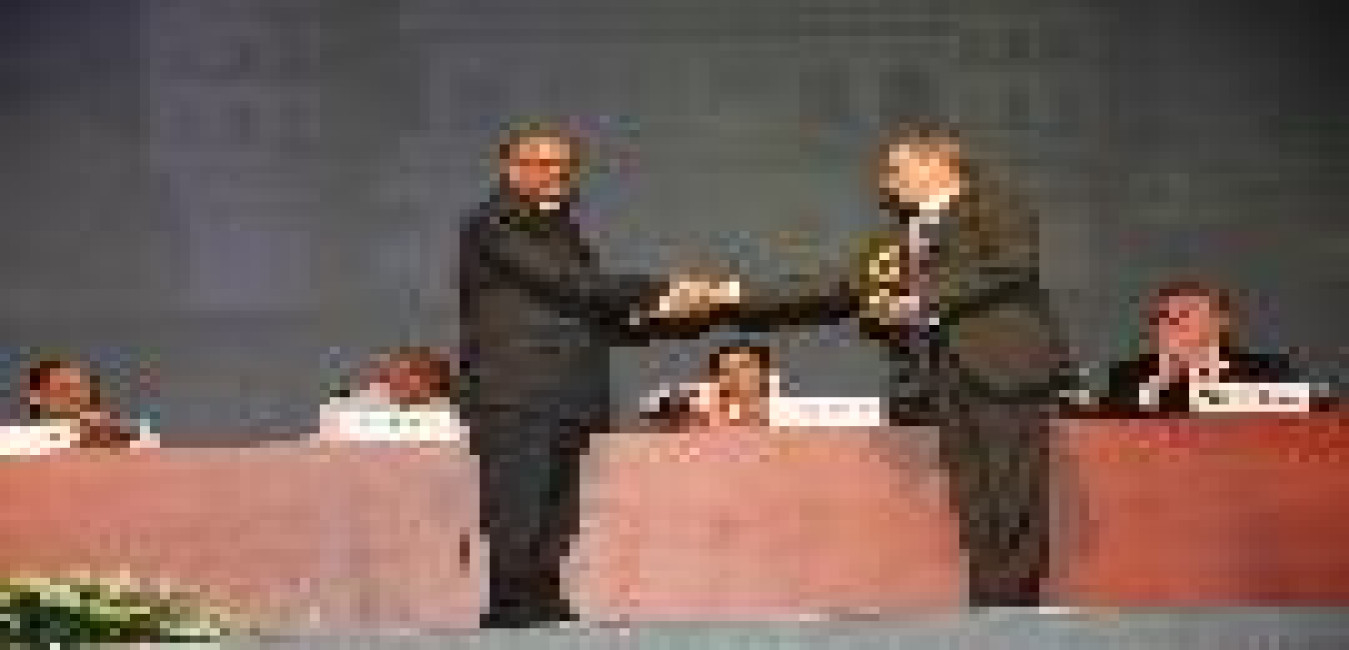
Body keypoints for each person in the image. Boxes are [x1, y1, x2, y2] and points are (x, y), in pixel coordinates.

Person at [725, 122, 1074, 607]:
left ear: (937, 162)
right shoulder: (897, 238)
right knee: (972, 495)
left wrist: (917, 300)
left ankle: (1015, 609)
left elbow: (1011, 264)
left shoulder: (994, 203)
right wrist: (729, 293)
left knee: (1014, 490)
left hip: (1003, 365)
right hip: (942, 374)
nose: (886, 181)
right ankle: (991, 604)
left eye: (896, 169)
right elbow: (835, 285)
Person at [458, 124, 736, 627]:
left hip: (570, 389)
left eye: (565, 167)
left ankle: (543, 596)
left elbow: (587, 305)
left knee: (559, 504)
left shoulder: (560, 229)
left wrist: (659, 313)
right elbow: (569, 283)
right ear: (511, 169)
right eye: (543, 165)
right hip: (517, 390)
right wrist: (665, 289)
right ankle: (509, 605)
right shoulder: (493, 222)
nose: (556, 175)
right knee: (518, 499)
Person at [1104, 280, 1297, 413]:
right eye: (1164, 316)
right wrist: (1163, 382)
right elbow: (1109, 424)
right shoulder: (1128, 378)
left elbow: (1287, 418)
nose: (1172, 323)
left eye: (1184, 314)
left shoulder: (1265, 372)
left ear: (1219, 323)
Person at [3, 357, 153, 454]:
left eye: (80, 387)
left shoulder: (125, 433)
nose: (76, 396)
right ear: (37, 398)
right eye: (64, 388)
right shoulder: (17, 440)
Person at [317, 347, 466, 442]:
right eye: (398, 371)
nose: (399, 378)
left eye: (413, 373)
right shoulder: (367, 400)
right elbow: (333, 422)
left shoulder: (442, 419)